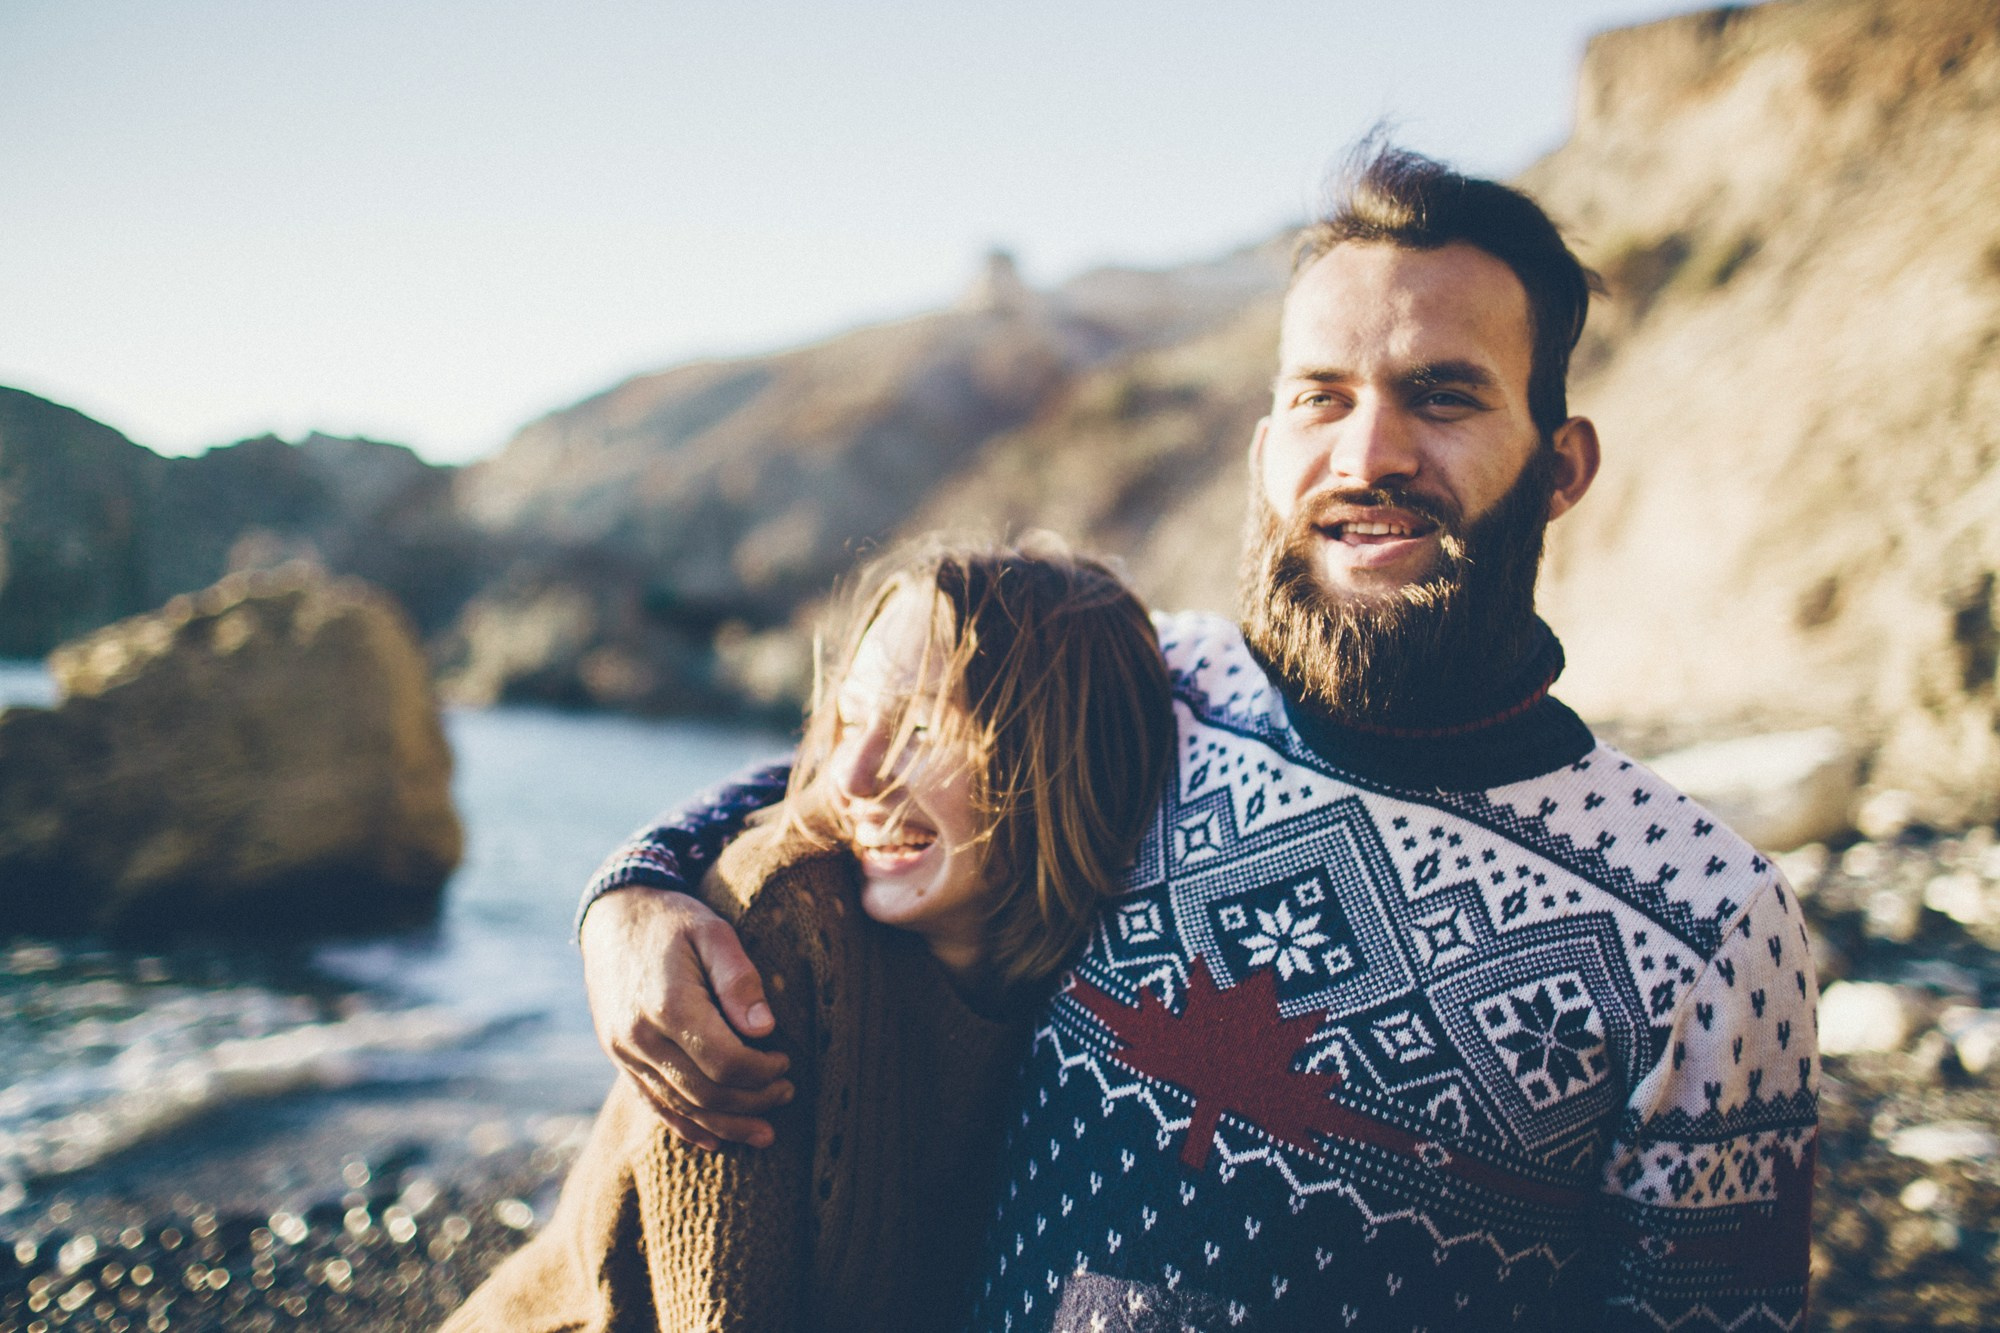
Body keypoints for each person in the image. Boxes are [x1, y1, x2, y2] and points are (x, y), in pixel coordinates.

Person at [573, 143, 1821, 1331]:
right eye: (1319, 398)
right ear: (1266, 450)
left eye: (1441, 396)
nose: (1367, 453)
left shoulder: (1707, 922)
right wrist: (634, 894)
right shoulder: (1163, 684)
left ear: (1559, 468)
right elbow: (863, 773)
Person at [445, 539, 1174, 1331]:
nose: (853, 777)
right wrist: (624, 887)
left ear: (1065, 760)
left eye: (922, 728)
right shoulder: (777, 929)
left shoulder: (1095, 983)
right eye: (851, 719)